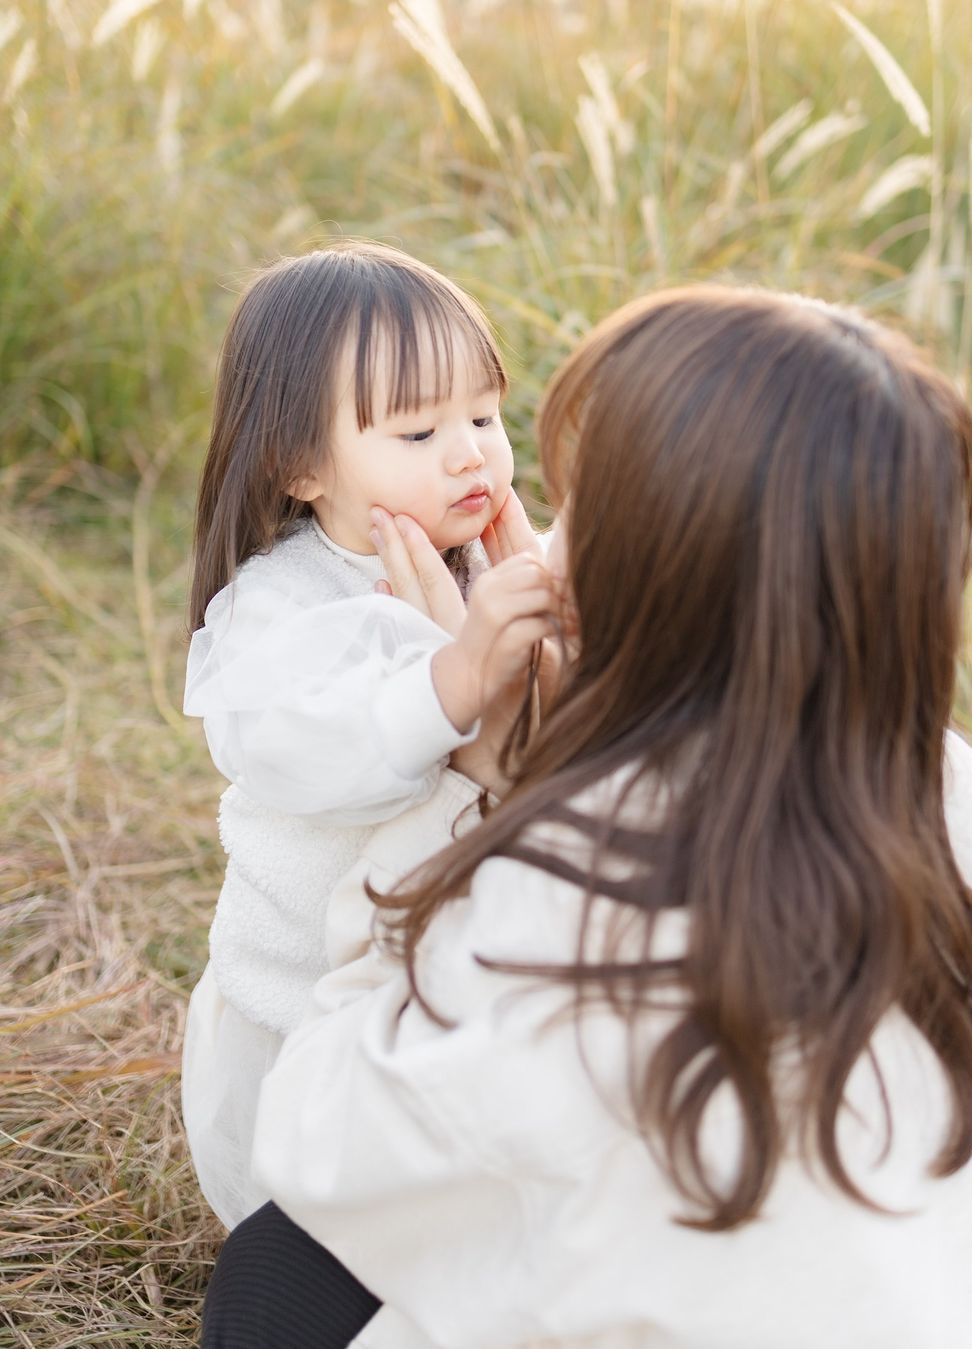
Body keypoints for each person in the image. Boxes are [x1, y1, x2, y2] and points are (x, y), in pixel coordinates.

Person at [206, 286, 972, 1348]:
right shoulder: (941, 780)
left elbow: (321, 1142)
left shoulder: (584, 861)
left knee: (271, 1270)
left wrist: (483, 793)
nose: (538, 540)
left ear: (662, 566)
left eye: (581, 506)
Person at [182, 241, 554, 1231]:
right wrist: (451, 679)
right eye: (419, 429)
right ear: (301, 464)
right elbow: (291, 745)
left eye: (485, 415)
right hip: (308, 1015)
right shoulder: (282, 605)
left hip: (457, 993)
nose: (470, 453)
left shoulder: (491, 555)